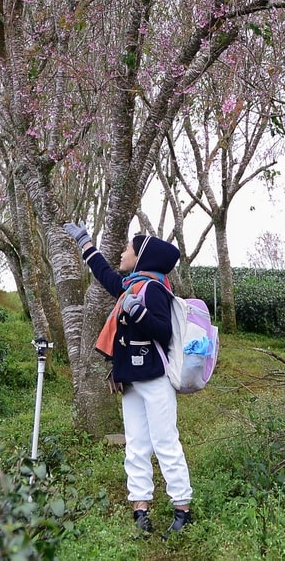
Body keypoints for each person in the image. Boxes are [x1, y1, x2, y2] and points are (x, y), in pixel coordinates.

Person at [61, 221, 193, 536]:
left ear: (142, 257)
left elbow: (163, 331)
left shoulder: (153, 289)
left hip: (155, 379)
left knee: (165, 443)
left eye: (128, 249)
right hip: (131, 381)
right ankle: (140, 509)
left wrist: (139, 312)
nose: (122, 253)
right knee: (135, 445)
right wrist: (85, 244)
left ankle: (183, 509)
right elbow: (105, 275)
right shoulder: (132, 285)